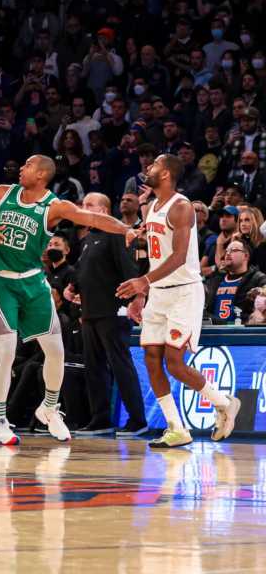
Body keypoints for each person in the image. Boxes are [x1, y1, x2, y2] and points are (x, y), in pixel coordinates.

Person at [0, 154, 136, 446]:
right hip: (0, 279)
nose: (21, 167)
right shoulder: (2, 193)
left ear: (42, 174)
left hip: (33, 280)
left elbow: (94, 218)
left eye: (28, 165)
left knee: (56, 351)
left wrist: (127, 229)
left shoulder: (55, 207)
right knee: (6, 349)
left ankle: (49, 408)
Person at [118, 154, 242, 448]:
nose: (148, 168)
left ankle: (225, 403)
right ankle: (176, 427)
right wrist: (141, 295)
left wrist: (143, 282)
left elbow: (177, 256)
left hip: (184, 291)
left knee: (174, 362)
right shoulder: (152, 208)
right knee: (151, 358)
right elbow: (154, 257)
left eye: (154, 166)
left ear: (166, 175)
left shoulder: (181, 207)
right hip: (158, 292)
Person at [63, 192, 147, 437]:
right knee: (94, 368)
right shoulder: (88, 239)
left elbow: (129, 269)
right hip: (90, 312)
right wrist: (73, 287)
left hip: (113, 311)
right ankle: (100, 419)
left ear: (103, 211)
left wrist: (136, 300)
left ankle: (137, 419)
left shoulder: (116, 235)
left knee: (120, 366)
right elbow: (84, 271)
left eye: (89, 205)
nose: (83, 208)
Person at [206, 239, 266, 325]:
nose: (228, 253)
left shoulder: (257, 279)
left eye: (234, 250)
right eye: (227, 250)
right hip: (215, 332)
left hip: (242, 333)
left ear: (246, 256)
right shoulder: (215, 280)